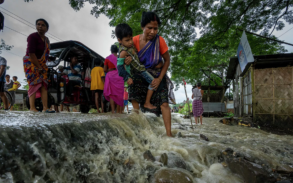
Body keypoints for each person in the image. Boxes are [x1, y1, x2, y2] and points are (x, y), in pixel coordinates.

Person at [121, 12, 176, 137]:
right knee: (133, 87)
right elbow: (125, 57)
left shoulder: (160, 41)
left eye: (155, 28)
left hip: (157, 75)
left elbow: (167, 60)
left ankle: (169, 134)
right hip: (141, 74)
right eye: (149, 28)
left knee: (164, 103)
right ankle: (139, 129)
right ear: (142, 27)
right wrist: (126, 61)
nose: (152, 31)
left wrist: (160, 78)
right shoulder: (133, 41)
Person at [116, 23, 159, 110]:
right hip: (140, 71)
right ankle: (147, 103)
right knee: (154, 83)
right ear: (120, 40)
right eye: (127, 40)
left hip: (140, 71)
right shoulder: (123, 52)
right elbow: (119, 68)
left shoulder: (130, 46)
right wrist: (127, 77)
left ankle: (140, 109)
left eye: (131, 39)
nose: (131, 42)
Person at [23, 19, 55, 113]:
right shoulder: (32, 37)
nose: (40, 26)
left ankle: (45, 108)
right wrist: (39, 67)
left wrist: (49, 58)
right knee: (33, 84)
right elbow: (31, 53)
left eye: (43, 25)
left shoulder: (46, 40)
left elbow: (44, 53)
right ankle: (32, 108)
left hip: (41, 64)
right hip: (31, 63)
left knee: (44, 86)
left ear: (47, 29)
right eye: (38, 24)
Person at [103, 45, 124, 114]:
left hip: (111, 76)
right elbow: (123, 67)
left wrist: (110, 69)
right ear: (117, 50)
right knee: (119, 94)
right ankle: (120, 111)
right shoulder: (120, 57)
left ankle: (113, 111)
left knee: (112, 94)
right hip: (119, 76)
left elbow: (105, 69)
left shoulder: (107, 58)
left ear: (111, 50)